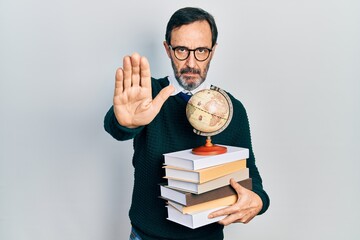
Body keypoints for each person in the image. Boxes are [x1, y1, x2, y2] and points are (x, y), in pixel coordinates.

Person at [104, 7, 270, 240]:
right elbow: (115, 127)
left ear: (213, 51)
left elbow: (251, 176)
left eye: (201, 50)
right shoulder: (147, 94)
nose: (191, 62)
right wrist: (126, 124)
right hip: (146, 236)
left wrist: (260, 201)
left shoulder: (232, 109)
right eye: (181, 49)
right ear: (167, 50)